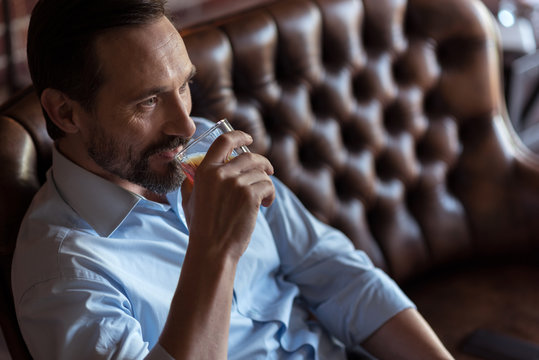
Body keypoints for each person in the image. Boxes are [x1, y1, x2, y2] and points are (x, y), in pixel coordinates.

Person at [11, 0, 454, 359]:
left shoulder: (198, 147)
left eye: (182, 86)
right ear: (66, 112)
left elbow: (333, 271)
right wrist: (215, 249)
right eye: (147, 102)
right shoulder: (62, 271)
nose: (185, 126)